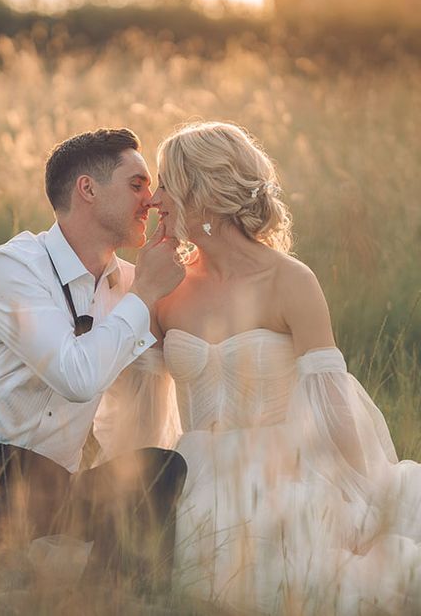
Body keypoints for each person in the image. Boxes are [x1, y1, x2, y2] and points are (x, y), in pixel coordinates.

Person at [150, 121, 421, 614]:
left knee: (311, 572)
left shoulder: (289, 280)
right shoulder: (164, 287)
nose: (155, 198)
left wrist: (363, 490)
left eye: (166, 183)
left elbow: (331, 396)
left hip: (283, 471)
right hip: (195, 474)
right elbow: (147, 400)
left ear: (202, 188)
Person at [0, 128, 186, 578]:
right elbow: (75, 377)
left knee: (163, 468)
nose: (149, 199)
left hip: (49, 494)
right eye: (136, 185)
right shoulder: (14, 266)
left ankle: (107, 603)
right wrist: (144, 294)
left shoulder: (130, 285)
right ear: (87, 189)